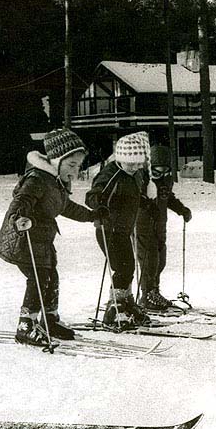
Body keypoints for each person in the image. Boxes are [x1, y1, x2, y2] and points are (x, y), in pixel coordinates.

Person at [0, 129, 106, 345]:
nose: (75, 171)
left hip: (42, 240)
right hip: (23, 239)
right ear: (57, 160)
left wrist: (92, 215)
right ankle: (26, 325)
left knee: (50, 277)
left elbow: (66, 207)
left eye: (78, 166)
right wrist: (19, 218)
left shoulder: (55, 181)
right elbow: (21, 200)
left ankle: (49, 319)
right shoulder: (38, 178)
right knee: (38, 279)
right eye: (71, 165)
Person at [85, 132, 152, 329]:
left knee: (128, 267)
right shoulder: (110, 173)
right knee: (123, 267)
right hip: (108, 229)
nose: (134, 168)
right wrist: (100, 204)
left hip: (123, 230)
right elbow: (91, 196)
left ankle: (125, 303)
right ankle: (114, 309)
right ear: (121, 159)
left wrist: (146, 203)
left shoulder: (135, 174)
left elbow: (134, 195)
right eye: (130, 164)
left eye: (138, 164)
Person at [136, 145, 192, 311]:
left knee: (161, 261)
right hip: (143, 224)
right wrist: (146, 205)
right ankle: (146, 295)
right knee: (149, 260)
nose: (161, 176)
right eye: (157, 172)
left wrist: (182, 210)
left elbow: (168, 198)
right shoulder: (143, 179)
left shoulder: (167, 180)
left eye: (165, 172)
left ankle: (154, 291)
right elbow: (135, 198)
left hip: (161, 225)